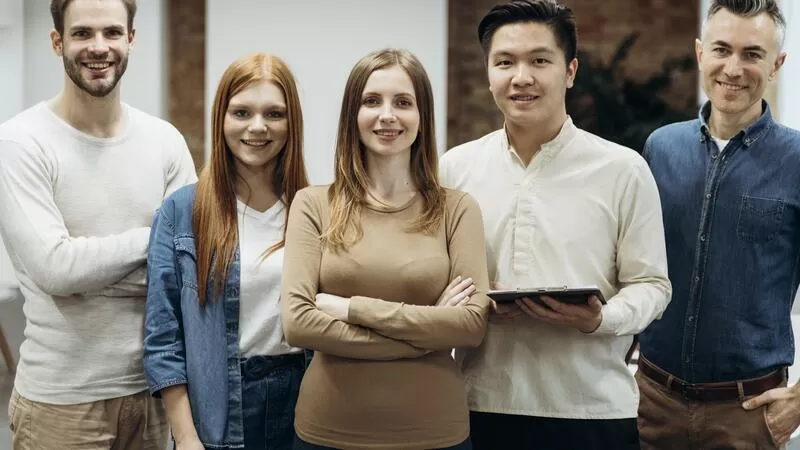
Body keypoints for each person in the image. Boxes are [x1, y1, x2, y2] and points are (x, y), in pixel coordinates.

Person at [439, 1, 672, 449]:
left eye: (540, 60)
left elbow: (652, 285)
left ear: (570, 71)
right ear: (488, 74)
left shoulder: (623, 169)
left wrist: (599, 318)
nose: (521, 77)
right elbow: (436, 279)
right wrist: (466, 305)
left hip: (592, 412)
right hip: (477, 405)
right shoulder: (455, 169)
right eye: (504, 62)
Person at [0, 0, 197, 448]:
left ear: (131, 38)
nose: (98, 47)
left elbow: (186, 266)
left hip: (153, 393)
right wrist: (155, 241)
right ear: (58, 42)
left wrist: (83, 275)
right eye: (82, 33)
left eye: (111, 32)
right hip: (61, 404)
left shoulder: (165, 142)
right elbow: (55, 269)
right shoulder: (20, 142)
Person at [280, 48, 490, 450]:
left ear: (422, 116)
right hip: (327, 432)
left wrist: (352, 309)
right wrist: (430, 328)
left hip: (434, 433)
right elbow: (298, 324)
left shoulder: (458, 209)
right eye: (371, 101)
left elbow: (471, 326)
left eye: (403, 103)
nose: (387, 115)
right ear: (352, 115)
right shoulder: (314, 204)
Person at [636, 0, 800, 448]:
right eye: (722, 49)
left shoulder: (797, 161)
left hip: (748, 416)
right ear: (699, 52)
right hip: (651, 403)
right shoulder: (659, 148)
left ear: (776, 65)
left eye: (752, 54)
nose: (733, 67)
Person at [143, 52, 310, 450]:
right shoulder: (182, 211)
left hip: (307, 401)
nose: (257, 127)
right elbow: (163, 340)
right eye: (241, 113)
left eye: (274, 114)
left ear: (292, 123)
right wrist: (186, 438)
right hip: (220, 409)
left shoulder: (313, 207)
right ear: (221, 118)